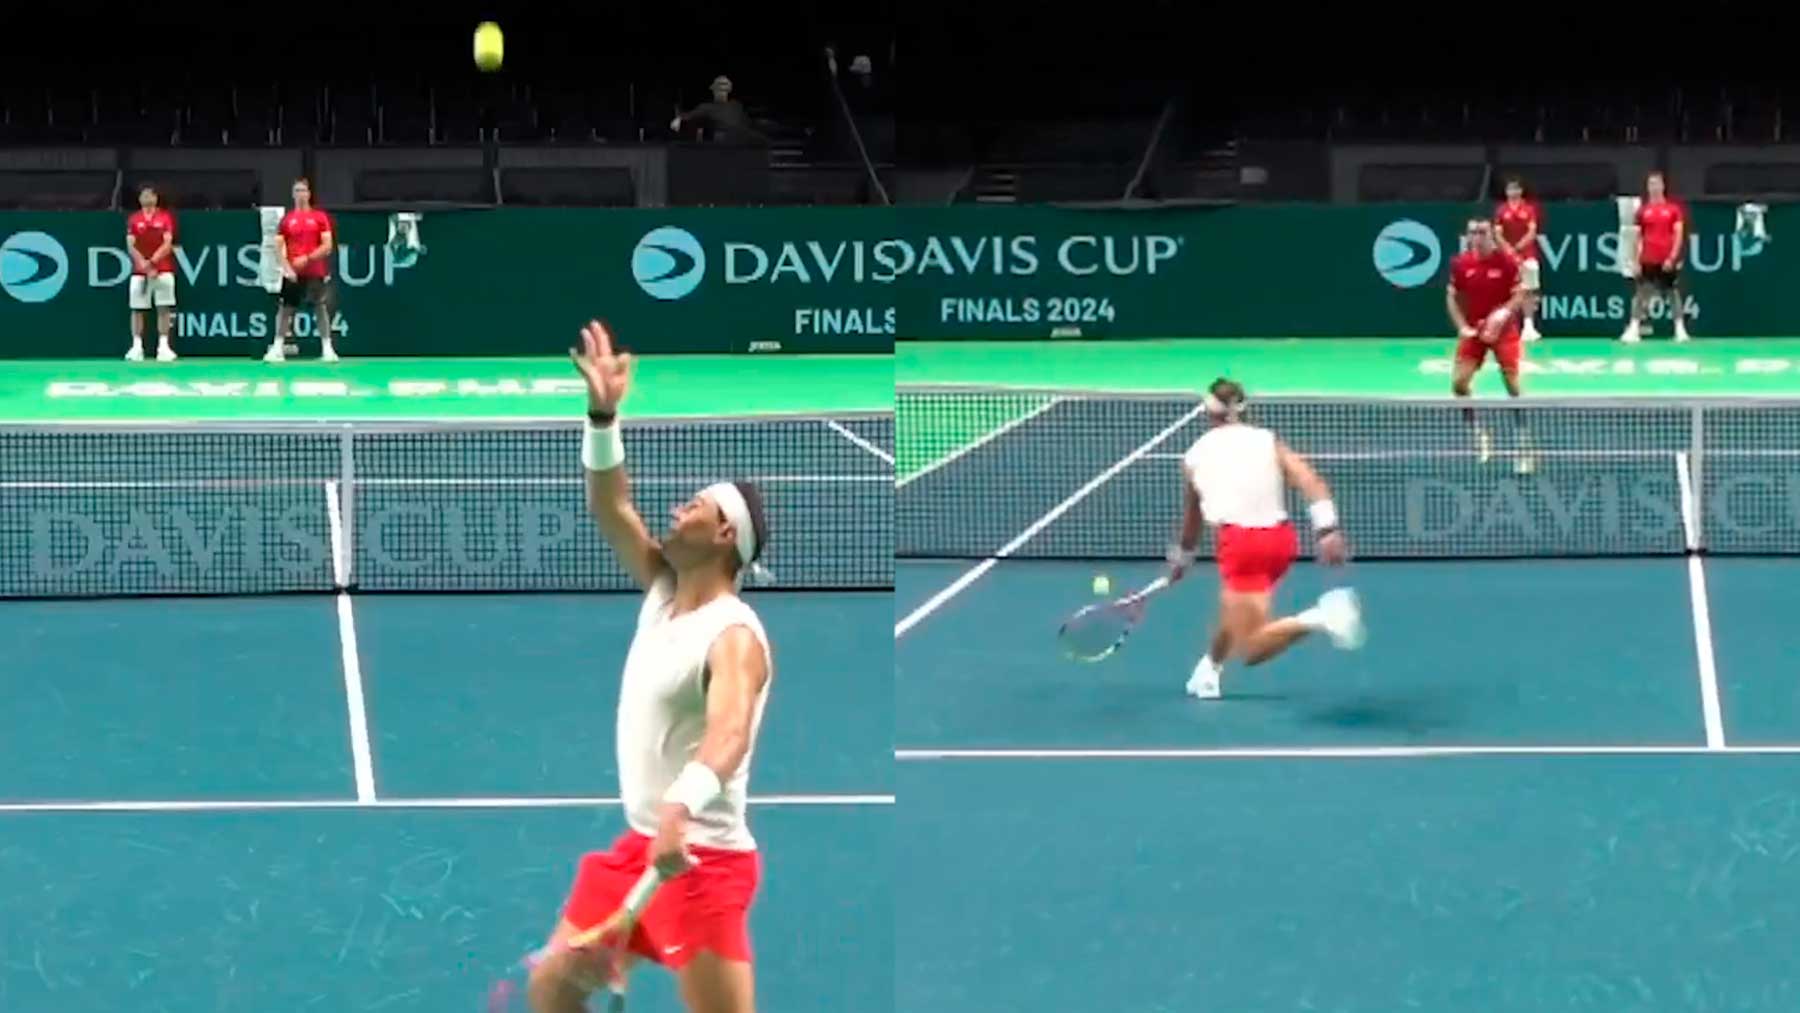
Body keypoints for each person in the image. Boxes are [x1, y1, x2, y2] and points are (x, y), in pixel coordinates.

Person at [528, 320, 773, 1013]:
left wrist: (680, 807)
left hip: (702, 861)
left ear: (726, 534)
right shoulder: (664, 592)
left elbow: (729, 732)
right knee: (551, 987)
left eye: (693, 505)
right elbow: (609, 501)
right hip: (639, 846)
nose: (676, 507)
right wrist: (603, 415)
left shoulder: (735, 634)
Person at [1167, 378, 1365, 700]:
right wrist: (1326, 530)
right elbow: (1308, 480)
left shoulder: (1194, 456)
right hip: (1281, 542)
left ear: (1208, 412)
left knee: (1251, 647)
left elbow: (1193, 518)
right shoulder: (1268, 440)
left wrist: (1183, 559)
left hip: (1242, 546)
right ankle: (1209, 669)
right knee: (1234, 612)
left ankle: (1319, 617)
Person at [1447, 217, 1533, 472]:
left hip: (1503, 331)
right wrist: (1462, 326)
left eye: (1482, 232)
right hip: (1475, 329)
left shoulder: (1506, 261)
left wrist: (1503, 313)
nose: (1477, 237)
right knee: (1459, 384)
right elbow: (1451, 297)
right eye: (1473, 232)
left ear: (1491, 235)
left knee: (1513, 386)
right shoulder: (1461, 264)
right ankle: (1479, 434)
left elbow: (1520, 294)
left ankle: (1523, 445)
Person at [262, 177, 339, 363]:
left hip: (315, 272)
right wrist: (287, 268)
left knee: (320, 308)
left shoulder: (320, 218)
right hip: (293, 274)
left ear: (309, 194)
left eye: (303, 191)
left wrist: (307, 258)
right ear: (293, 194)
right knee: (285, 309)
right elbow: (278, 247)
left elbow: (327, 246)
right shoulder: (287, 220)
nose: (300, 194)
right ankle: (277, 348)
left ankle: (327, 349)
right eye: (297, 191)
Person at [1621, 170, 1689, 343]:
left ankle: (1680, 330)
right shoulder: (1643, 211)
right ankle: (1634, 329)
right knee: (1641, 294)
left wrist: (1672, 257)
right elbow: (1637, 237)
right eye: (1650, 185)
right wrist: (1635, 260)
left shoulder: (1673, 210)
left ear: (1663, 186)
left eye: (1656, 184)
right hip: (1647, 259)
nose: (1654, 188)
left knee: (1673, 294)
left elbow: (1678, 234)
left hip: (1666, 259)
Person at [125, 184, 177, 362]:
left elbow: (168, 243)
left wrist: (153, 262)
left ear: (156, 198)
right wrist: (143, 264)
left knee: (164, 308)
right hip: (140, 271)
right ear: (140, 199)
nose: (147, 197)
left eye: (150, 195)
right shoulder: (134, 219)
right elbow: (130, 245)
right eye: (144, 195)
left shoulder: (165, 217)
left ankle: (163, 347)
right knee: (137, 309)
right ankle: (137, 347)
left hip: (162, 269)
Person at [1494, 175, 1544, 342]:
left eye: (1516, 188)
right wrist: (1509, 250)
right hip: (1507, 257)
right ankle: (1507, 328)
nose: (1513, 192)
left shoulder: (1529, 209)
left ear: (1521, 191)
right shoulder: (1501, 210)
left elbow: (1532, 232)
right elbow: (1497, 233)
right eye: (1510, 189)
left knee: (1528, 290)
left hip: (1527, 255)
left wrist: (1518, 248)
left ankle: (1529, 327)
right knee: (1507, 291)